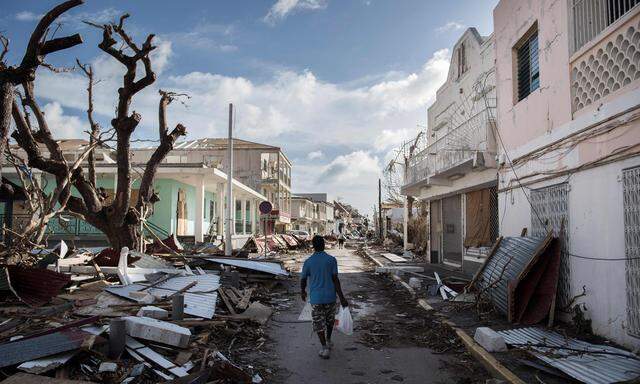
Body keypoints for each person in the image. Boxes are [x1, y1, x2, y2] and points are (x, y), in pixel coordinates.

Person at [300, 235, 348, 359]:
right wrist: (342, 297)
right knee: (329, 321)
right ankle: (328, 339)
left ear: (313, 246)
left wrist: (302, 291)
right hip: (330, 297)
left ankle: (324, 348)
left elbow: (303, 279)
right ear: (324, 245)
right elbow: (335, 280)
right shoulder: (331, 260)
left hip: (316, 298)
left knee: (318, 323)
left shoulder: (308, 262)